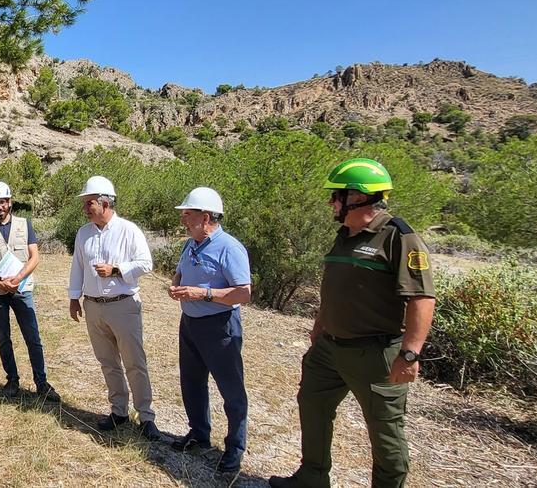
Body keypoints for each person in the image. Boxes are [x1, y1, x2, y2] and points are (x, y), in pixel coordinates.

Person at [270, 158, 436, 488]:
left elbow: (422, 298)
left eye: (336, 195)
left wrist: (410, 354)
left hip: (374, 354)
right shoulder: (345, 235)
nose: (331, 203)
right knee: (313, 404)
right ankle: (312, 478)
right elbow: (338, 286)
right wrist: (320, 325)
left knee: (385, 430)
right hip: (329, 348)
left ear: (358, 197)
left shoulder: (398, 237)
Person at [67, 175, 161, 441]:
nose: (85, 208)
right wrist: (74, 298)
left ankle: (145, 416)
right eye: (85, 203)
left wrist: (117, 269)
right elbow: (78, 267)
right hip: (93, 306)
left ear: (105, 203)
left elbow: (145, 263)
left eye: (89, 203)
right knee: (108, 362)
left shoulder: (128, 230)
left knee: (134, 363)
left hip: (123, 306)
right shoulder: (84, 233)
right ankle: (119, 411)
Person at [166, 187, 252, 475]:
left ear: (205, 217)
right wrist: (176, 285)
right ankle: (199, 433)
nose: (182, 220)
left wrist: (201, 293)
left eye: (187, 214)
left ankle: (234, 449)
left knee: (231, 389)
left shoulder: (229, 247)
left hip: (219, 326)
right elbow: (180, 272)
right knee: (191, 382)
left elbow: (243, 293)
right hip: (190, 323)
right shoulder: (191, 244)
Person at [0, 181, 59, 401]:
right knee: (3, 337)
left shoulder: (25, 224)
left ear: (10, 202)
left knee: (32, 336)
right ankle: (12, 380)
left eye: (2, 202)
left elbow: (34, 257)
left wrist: (18, 278)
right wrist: (0, 283)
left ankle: (42, 383)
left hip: (22, 289)